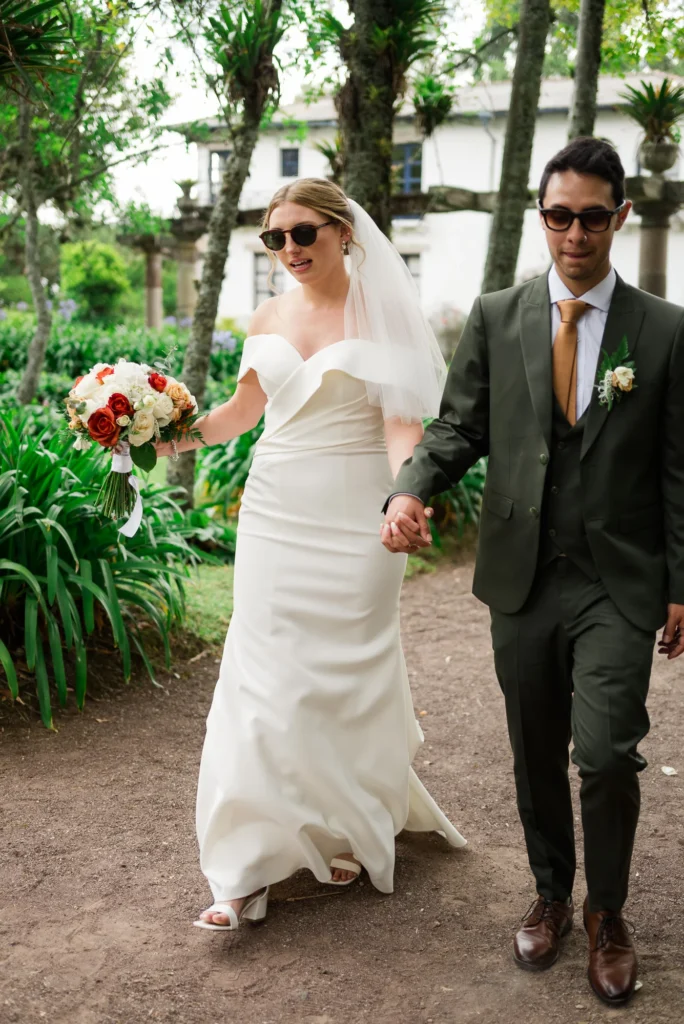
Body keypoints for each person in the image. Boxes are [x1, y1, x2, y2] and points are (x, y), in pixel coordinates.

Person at [382, 137, 684, 1007]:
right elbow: (456, 428)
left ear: (619, 217)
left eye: (594, 216)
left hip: (619, 580)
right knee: (533, 749)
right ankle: (551, 893)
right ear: (541, 218)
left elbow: (678, 466)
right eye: (560, 216)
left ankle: (608, 914)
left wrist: (682, 581)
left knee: (607, 751)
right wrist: (409, 492)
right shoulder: (497, 314)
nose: (576, 233)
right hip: (521, 575)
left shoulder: (663, 330)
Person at [157, 178, 466, 933]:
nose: (290, 249)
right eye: (276, 238)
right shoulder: (266, 315)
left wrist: (405, 497)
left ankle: (341, 827)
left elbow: (402, 428)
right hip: (275, 511)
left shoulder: (383, 314)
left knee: (343, 678)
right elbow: (240, 414)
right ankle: (243, 871)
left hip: (359, 516)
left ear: (343, 233)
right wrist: (160, 433)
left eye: (304, 234)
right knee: (260, 682)